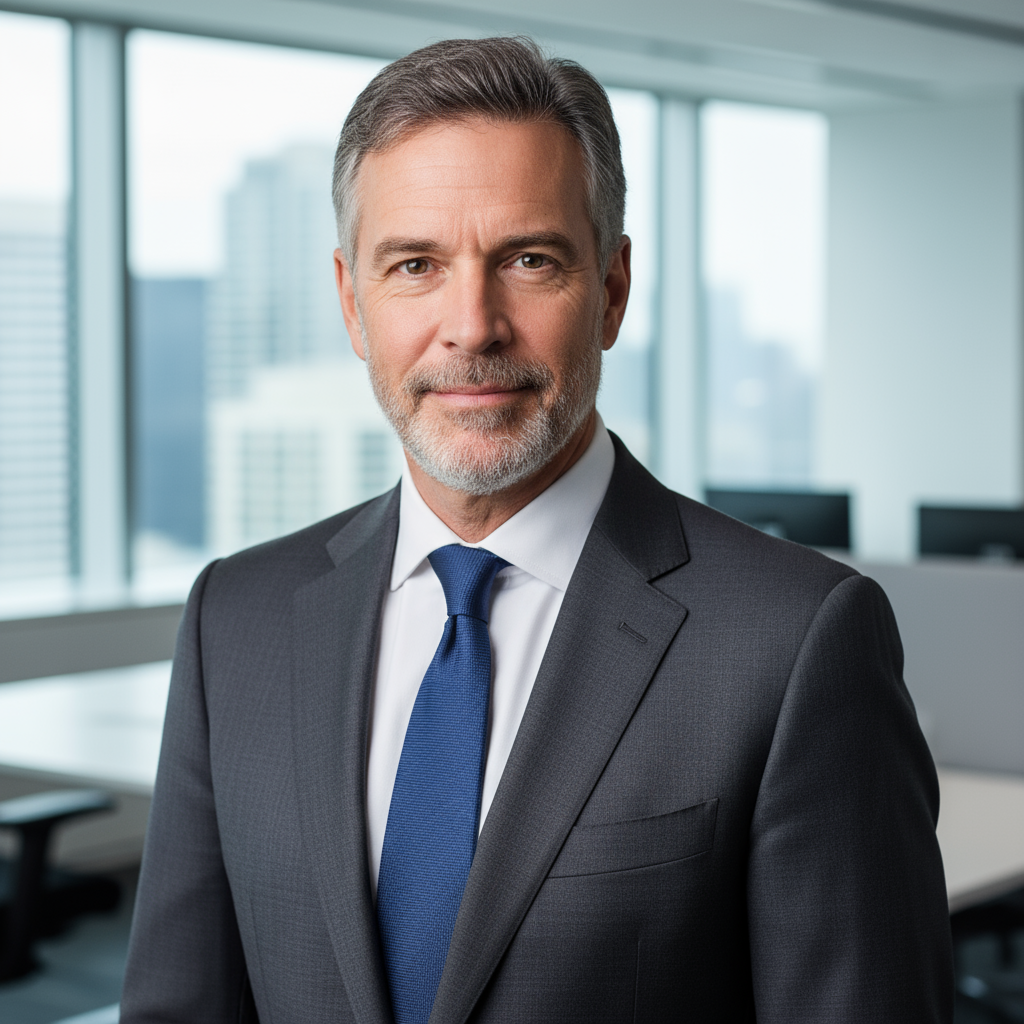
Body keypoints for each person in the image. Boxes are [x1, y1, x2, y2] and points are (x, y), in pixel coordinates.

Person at [120, 36, 953, 1024]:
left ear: (609, 289)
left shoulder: (795, 640)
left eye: (528, 259)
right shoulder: (237, 617)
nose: (471, 325)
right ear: (352, 301)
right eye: (415, 264)